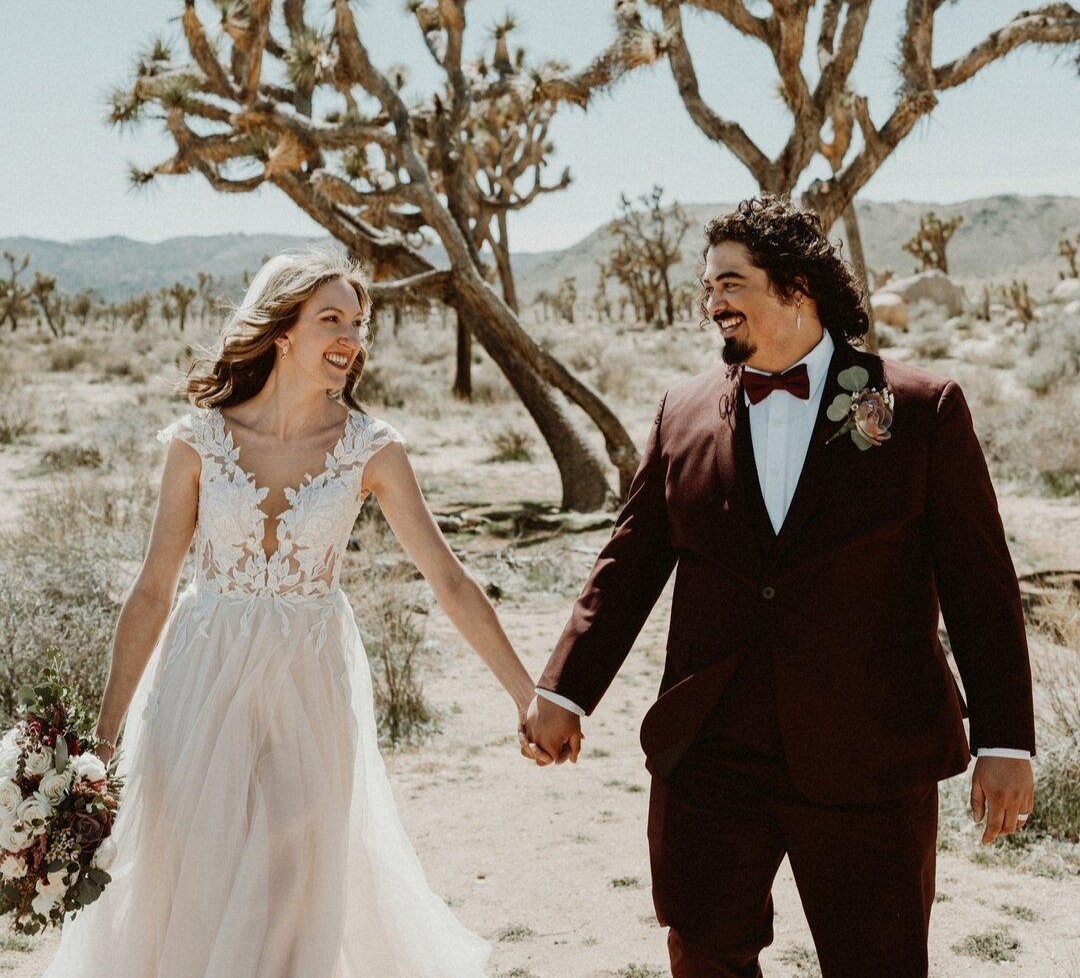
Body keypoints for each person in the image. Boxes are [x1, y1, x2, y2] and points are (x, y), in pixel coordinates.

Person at [521, 196, 1035, 978]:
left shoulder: (921, 410)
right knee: (703, 954)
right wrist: (565, 690)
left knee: (878, 964)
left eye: (730, 282)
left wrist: (1005, 739)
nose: (712, 302)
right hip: (712, 748)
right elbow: (628, 562)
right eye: (706, 287)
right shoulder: (682, 410)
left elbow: (981, 587)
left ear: (797, 286)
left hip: (868, 752)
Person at [47, 248, 536, 977]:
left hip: (308, 693)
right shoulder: (198, 441)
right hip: (200, 685)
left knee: (291, 884)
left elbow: (449, 580)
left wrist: (528, 695)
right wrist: (104, 739)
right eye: (330, 318)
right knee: (199, 877)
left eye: (358, 323)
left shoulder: (372, 450)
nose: (350, 337)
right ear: (281, 332)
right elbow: (152, 589)